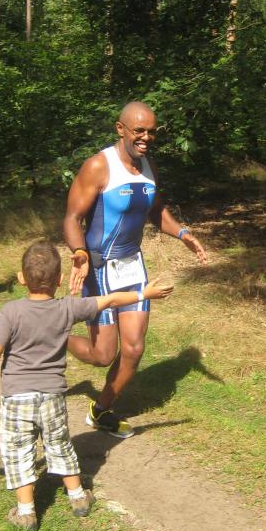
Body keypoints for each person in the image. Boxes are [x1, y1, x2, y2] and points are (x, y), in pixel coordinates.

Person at [0, 239, 173, 531]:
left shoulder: (10, 312)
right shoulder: (67, 308)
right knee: (60, 444)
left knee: (19, 450)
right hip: (52, 396)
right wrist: (144, 293)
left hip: (17, 398)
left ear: (21, 278)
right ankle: (77, 497)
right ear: (60, 279)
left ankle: (26, 512)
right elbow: (110, 301)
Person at [63, 100, 207, 440]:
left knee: (134, 348)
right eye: (139, 131)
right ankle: (56, 335)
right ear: (121, 129)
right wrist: (80, 252)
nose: (146, 138)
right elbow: (72, 218)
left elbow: (155, 211)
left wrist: (183, 233)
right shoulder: (99, 166)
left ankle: (101, 410)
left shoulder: (147, 166)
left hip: (132, 266)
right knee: (102, 355)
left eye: (151, 132)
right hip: (99, 268)